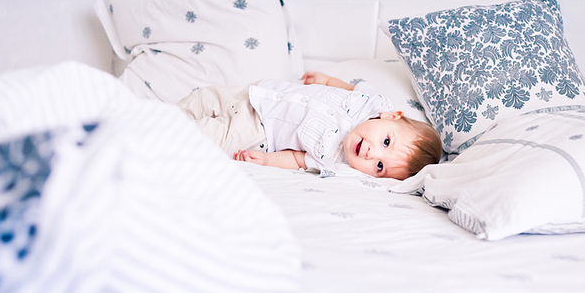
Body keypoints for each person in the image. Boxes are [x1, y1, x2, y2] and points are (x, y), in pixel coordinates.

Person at [176, 71, 441, 180]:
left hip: (256, 132)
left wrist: (266, 161)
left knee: (198, 136)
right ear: (391, 116)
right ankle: (161, 114)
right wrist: (325, 80)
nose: (372, 154)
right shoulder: (372, 102)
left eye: (380, 167)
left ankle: (162, 130)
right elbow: (348, 88)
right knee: (203, 98)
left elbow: (296, 159)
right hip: (257, 94)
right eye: (386, 142)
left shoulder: (333, 160)